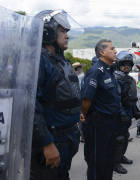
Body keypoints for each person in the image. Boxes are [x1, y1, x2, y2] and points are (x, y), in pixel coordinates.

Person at [31, 10, 81, 180]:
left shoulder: (60, 60)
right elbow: (31, 105)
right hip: (52, 137)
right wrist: (46, 143)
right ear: (47, 31)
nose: (67, 36)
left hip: (67, 136)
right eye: (62, 31)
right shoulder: (39, 60)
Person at [81, 39, 120, 180]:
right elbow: (86, 99)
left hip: (111, 123)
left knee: (109, 161)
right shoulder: (96, 71)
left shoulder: (109, 71)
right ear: (102, 52)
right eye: (112, 48)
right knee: (98, 162)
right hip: (98, 125)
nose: (115, 51)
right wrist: (84, 116)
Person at [112, 51, 140, 174]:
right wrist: (121, 113)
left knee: (125, 137)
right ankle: (115, 162)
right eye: (124, 64)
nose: (126, 67)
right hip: (118, 115)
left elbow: (131, 98)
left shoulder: (129, 79)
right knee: (118, 138)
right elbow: (115, 99)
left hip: (128, 112)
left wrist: (136, 111)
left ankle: (121, 156)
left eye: (128, 64)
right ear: (118, 64)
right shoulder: (115, 78)